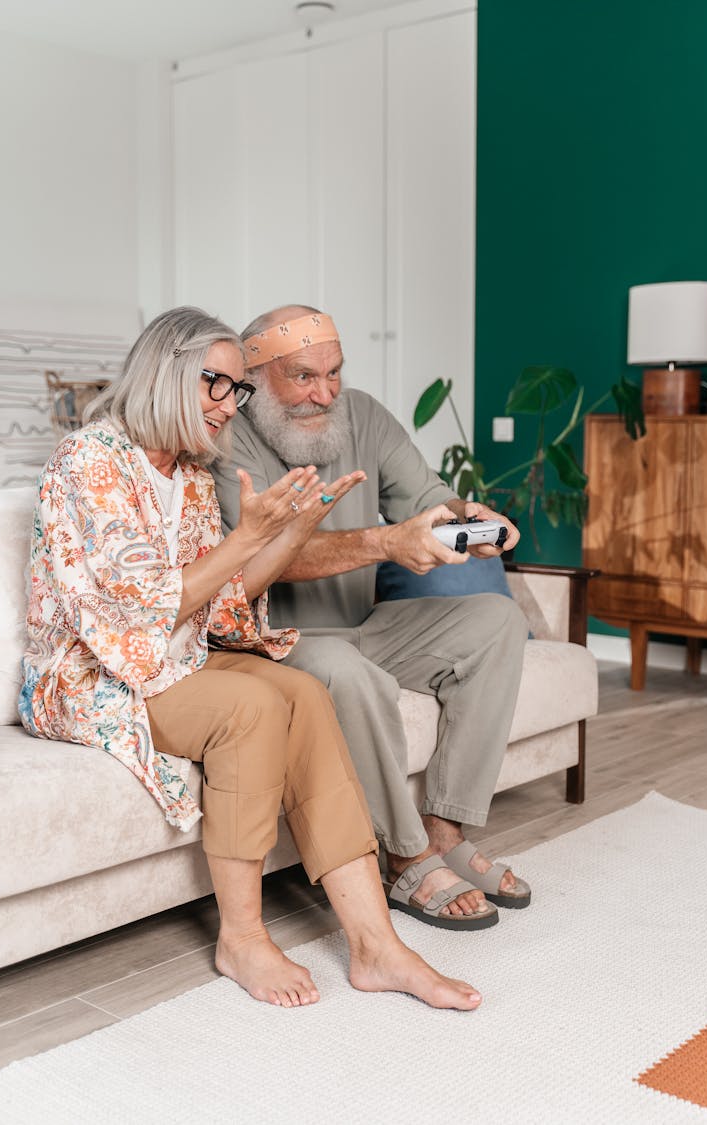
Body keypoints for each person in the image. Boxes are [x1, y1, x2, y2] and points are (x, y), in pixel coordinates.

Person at [18, 305, 485, 1011]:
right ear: (166, 372)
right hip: (97, 672)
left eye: (236, 390)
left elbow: (223, 604)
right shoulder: (89, 462)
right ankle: (240, 936)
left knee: (300, 692)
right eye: (218, 384)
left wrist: (293, 533)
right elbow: (141, 610)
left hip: (176, 655)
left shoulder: (192, 474)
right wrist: (249, 539)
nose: (228, 405)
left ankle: (376, 945)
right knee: (253, 704)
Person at [213, 305, 531, 931]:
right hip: (273, 641)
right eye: (303, 376)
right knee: (341, 667)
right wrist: (385, 544)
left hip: (365, 628)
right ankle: (404, 855)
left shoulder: (363, 416)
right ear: (255, 373)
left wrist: (469, 518)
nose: (324, 393)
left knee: (495, 620)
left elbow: (428, 497)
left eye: (333, 373)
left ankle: (443, 829)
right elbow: (258, 557)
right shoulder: (226, 440)